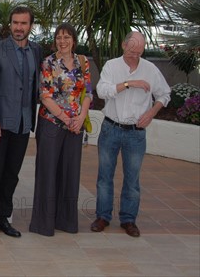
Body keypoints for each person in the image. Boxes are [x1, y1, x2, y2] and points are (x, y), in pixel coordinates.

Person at [91, 31, 170, 238]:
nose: (135, 54)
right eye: (132, 50)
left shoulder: (150, 69)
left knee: (132, 180)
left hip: (136, 133)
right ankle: (102, 217)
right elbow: (101, 91)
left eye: (139, 51)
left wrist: (152, 113)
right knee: (104, 177)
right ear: (124, 45)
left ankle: (128, 219)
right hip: (110, 128)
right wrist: (129, 84)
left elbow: (164, 94)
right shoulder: (111, 66)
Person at [0, 5, 42, 243]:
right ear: (10, 24)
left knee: (12, 175)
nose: (19, 27)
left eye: (23, 23)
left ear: (30, 26)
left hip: (24, 123)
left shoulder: (36, 50)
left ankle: (2, 218)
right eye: (15, 23)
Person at [29, 23, 92, 237]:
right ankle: (43, 223)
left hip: (75, 126)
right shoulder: (48, 62)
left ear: (74, 40)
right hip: (52, 124)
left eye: (66, 37)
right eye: (59, 37)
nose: (62, 41)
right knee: (48, 172)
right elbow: (45, 96)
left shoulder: (83, 62)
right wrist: (66, 118)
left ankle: (66, 221)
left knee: (70, 173)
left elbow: (88, 93)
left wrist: (81, 117)